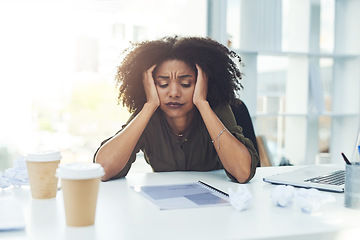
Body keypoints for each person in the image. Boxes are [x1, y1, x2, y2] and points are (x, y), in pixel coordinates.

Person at [94, 36, 259, 183]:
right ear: (149, 85)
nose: (173, 93)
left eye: (186, 84)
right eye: (163, 83)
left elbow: (243, 172)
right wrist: (149, 105)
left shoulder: (216, 109)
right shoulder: (149, 113)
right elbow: (103, 169)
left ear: (202, 83)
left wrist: (202, 103)